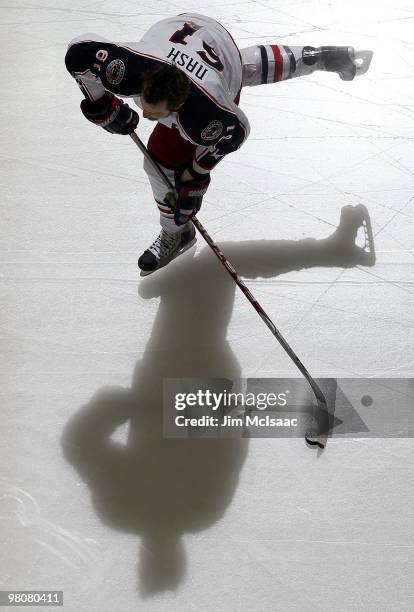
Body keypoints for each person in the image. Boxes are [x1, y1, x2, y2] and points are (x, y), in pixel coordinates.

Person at [65, 13, 373, 275]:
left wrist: (195, 176)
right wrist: (101, 105)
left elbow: (234, 131)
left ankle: (177, 232)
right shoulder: (125, 68)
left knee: (158, 159)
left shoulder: (204, 114)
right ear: (144, 81)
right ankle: (321, 55)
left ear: (178, 106)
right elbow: (77, 53)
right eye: (143, 102)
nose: (144, 115)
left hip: (200, 44)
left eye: (155, 112)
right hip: (202, 36)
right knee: (237, 68)